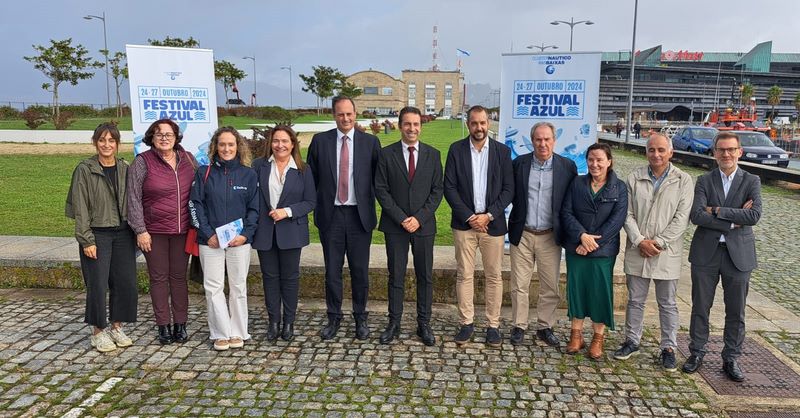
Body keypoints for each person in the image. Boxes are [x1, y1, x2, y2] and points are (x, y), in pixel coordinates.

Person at [682, 132, 762, 382]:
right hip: (706, 253)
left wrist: (716, 210)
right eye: (721, 150)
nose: (726, 154)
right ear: (714, 152)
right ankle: (697, 352)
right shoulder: (704, 180)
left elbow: (753, 216)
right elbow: (697, 215)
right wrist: (733, 220)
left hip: (739, 255)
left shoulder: (752, 181)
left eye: (731, 150)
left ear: (740, 152)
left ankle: (731, 357)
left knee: (736, 310)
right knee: (700, 306)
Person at [614, 133, 693, 371]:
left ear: (671, 152)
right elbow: (626, 214)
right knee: (635, 300)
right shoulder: (634, 178)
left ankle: (668, 347)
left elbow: (681, 218)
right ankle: (632, 340)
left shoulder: (683, 180)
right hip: (638, 248)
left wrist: (658, 243)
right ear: (646, 152)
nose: (656, 154)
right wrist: (640, 241)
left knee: (667, 302)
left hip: (665, 252)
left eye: (661, 150)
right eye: (651, 150)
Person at [306, 96, 381, 340]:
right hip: (331, 216)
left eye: (349, 114)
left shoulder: (370, 143)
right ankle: (334, 317)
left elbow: (378, 180)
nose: (345, 118)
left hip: (360, 216)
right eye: (340, 114)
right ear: (334, 115)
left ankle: (360, 317)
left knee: (360, 271)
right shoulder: (320, 142)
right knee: (332, 271)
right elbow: (311, 179)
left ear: (355, 114)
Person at [444, 105, 514, 347]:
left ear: (488, 123)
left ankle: (493, 325)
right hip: (464, 225)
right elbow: (449, 187)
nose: (479, 127)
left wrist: (489, 215)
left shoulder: (502, 152)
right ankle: (466, 323)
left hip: (492, 226)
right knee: (464, 274)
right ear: (468, 125)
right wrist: (470, 217)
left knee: (494, 276)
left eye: (482, 123)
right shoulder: (456, 150)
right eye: (474, 123)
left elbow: (509, 189)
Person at [374, 106, 444, 346]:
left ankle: (424, 323)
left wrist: (419, 218)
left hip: (424, 226)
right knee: (396, 275)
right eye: (407, 124)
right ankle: (394, 322)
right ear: (399, 126)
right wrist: (402, 218)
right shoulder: (386, 154)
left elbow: (437, 190)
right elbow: (381, 190)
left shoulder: (433, 155)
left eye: (416, 124)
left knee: (425, 276)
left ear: (420, 127)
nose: (411, 128)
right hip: (395, 226)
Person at [66, 123, 138, 353]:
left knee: (125, 282)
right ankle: (98, 331)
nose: (107, 145)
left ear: (117, 144)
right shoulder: (85, 169)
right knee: (97, 284)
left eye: (111, 141)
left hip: (123, 233)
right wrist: (86, 240)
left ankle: (117, 326)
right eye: (102, 140)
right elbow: (80, 207)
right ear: (95, 142)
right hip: (97, 233)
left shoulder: (125, 167)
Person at [127, 119, 197, 345]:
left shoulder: (188, 159)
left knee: (179, 278)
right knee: (158, 278)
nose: (164, 138)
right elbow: (133, 198)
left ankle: (180, 324)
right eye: (159, 134)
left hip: (183, 230)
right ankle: (163, 325)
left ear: (176, 137)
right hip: (153, 232)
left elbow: (200, 190)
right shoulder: (142, 162)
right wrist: (140, 230)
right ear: (152, 137)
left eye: (169, 134)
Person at [507, 122, 577, 347]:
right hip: (523, 233)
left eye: (547, 139)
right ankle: (519, 325)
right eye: (538, 139)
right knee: (519, 284)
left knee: (550, 286)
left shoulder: (567, 166)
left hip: (550, 236)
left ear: (554, 141)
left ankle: (545, 326)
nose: (542, 144)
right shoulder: (519, 163)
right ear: (532, 141)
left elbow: (571, 202)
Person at [189, 127, 259, 351]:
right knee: (213, 288)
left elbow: (254, 209)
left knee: (238, 286)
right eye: (222, 144)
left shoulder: (249, 174)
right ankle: (220, 333)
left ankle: (238, 331)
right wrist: (207, 234)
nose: (226, 148)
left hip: (239, 241)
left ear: (238, 146)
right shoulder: (204, 173)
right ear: (215, 147)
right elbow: (195, 205)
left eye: (231, 144)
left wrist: (245, 234)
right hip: (210, 242)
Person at [561, 143, 627, 360]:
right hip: (577, 247)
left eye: (599, 160)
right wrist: (582, 236)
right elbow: (566, 212)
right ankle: (576, 335)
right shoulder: (577, 183)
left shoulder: (619, 187)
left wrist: (591, 243)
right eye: (591, 159)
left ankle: (598, 338)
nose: (595, 164)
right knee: (577, 290)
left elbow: (617, 220)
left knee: (600, 293)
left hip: (603, 251)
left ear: (609, 161)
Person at [252, 125, 316, 343]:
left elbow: (310, 201)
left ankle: (289, 322)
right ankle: (273, 321)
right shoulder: (258, 166)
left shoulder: (303, 169)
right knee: (269, 278)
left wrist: (287, 211)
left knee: (290, 279)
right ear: (270, 143)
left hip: (291, 231)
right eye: (276, 141)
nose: (280, 145)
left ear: (292, 144)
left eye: (285, 141)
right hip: (265, 232)